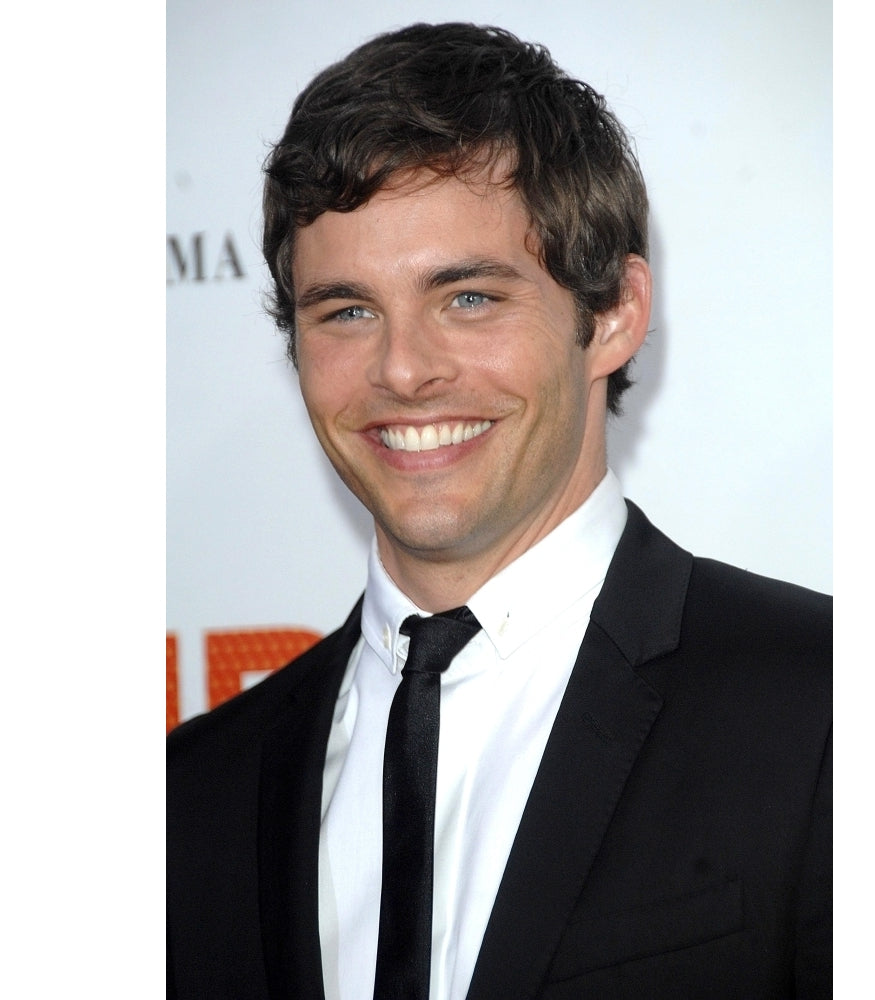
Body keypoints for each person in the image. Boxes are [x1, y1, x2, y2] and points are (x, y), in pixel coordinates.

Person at [167, 21, 831, 1000]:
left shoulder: (829, 708)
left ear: (611, 316)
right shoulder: (190, 797)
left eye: (467, 297)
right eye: (347, 310)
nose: (402, 368)